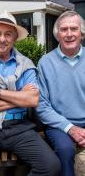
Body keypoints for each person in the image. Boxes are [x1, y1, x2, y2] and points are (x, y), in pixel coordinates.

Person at [0, 10, 60, 176]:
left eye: (8, 34)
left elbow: (33, 100)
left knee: (51, 166)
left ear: (14, 38)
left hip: (20, 128)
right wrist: (19, 97)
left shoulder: (26, 64)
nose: (2, 39)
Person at [36, 10, 85, 176]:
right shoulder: (45, 63)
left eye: (74, 29)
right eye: (64, 29)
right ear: (58, 35)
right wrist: (70, 128)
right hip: (59, 125)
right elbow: (42, 105)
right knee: (65, 150)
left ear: (82, 33)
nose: (69, 34)